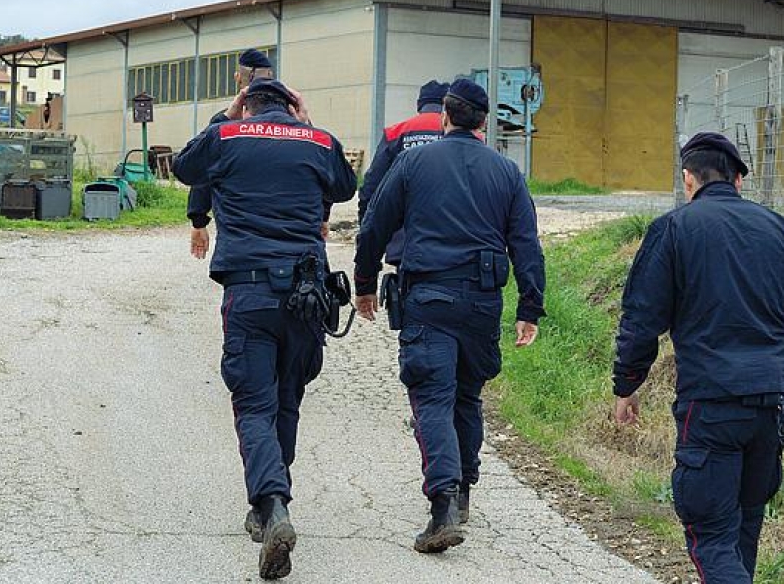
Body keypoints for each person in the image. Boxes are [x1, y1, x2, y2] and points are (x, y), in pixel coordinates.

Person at [612, 131, 784, 583]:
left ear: (688, 179)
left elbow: (641, 320)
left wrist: (627, 385)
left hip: (711, 404)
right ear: (738, 180)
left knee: (712, 537)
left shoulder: (673, 230)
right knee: (743, 531)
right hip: (773, 406)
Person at [172, 77, 357, 580]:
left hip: (250, 292)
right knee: (287, 400)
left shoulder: (227, 135)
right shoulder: (318, 141)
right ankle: (270, 506)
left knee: (255, 405)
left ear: (246, 104)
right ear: (292, 106)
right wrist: (308, 125)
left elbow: (184, 167)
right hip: (307, 296)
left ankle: (272, 506)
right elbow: (346, 187)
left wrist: (225, 116)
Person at [353, 79, 546, 554]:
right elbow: (526, 244)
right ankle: (462, 493)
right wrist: (530, 308)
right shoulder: (507, 171)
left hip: (430, 297)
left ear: (444, 115)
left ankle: (442, 507)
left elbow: (375, 224)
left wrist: (364, 283)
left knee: (432, 398)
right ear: (484, 122)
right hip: (482, 302)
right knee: (467, 396)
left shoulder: (413, 162)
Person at [187, 48, 276, 260]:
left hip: (238, 239)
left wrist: (198, 221)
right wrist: (323, 215)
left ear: (238, 78)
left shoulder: (224, 125)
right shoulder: (297, 121)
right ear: (271, 77)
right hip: (291, 238)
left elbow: (202, 170)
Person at [357, 80, 449, 267]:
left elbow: (372, 186)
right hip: (453, 243)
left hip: (405, 243)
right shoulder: (462, 135)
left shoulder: (396, 133)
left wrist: (366, 229)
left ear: (419, 105)